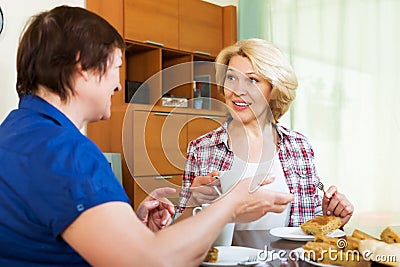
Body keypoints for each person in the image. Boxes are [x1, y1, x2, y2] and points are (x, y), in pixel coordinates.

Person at [0, 6, 294, 266]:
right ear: (83, 68)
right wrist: (230, 204)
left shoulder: (16, 133)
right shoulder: (66, 153)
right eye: (117, 67)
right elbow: (153, 262)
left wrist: (135, 231)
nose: (118, 85)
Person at [177, 38, 354, 230]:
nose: (237, 91)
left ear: (274, 89)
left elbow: (309, 221)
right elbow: (176, 236)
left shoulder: (298, 146)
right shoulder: (201, 149)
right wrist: (192, 202)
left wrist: (331, 217)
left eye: (252, 80)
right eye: (231, 78)